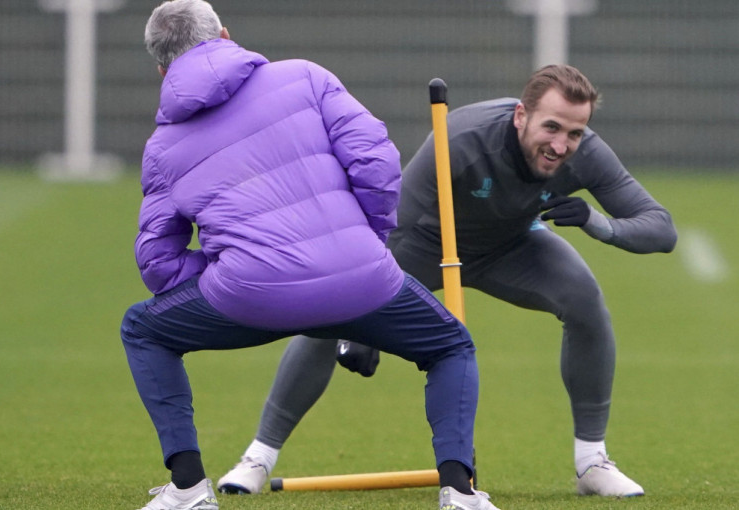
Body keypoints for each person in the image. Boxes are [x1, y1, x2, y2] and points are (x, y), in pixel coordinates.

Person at [219, 64, 678, 498]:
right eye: (552, 128)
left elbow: (661, 228)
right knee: (329, 312)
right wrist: (360, 321)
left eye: (575, 133)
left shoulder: (587, 154)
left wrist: (598, 223)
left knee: (585, 301)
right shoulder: (463, 137)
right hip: (425, 242)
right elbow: (392, 225)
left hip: (513, 245)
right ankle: (258, 457)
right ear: (521, 116)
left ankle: (592, 463)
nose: (561, 145)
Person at [120, 1, 500, 509]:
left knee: (142, 329)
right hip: (361, 279)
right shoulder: (304, 75)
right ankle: (460, 491)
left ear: (161, 69)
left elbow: (158, 261)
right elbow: (376, 161)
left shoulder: (161, 145)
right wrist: (366, 240)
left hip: (246, 297)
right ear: (225, 34)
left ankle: (188, 488)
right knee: (451, 347)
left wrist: (225, 271)